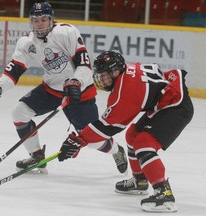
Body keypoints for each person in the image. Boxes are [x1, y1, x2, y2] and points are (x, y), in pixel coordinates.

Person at [0, 2, 128, 175]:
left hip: (80, 92)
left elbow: (85, 65)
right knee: (19, 112)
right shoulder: (26, 43)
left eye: (44, 19)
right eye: (36, 20)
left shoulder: (66, 32)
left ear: (51, 19)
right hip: (51, 90)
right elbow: (13, 72)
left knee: (92, 140)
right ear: (30, 22)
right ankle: (37, 156)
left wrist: (75, 82)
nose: (39, 23)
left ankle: (117, 150)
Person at [57, 51, 194, 212]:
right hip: (164, 101)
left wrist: (78, 140)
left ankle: (164, 193)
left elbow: (107, 127)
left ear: (115, 72)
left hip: (175, 106)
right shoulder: (126, 73)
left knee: (144, 144)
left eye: (105, 75)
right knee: (133, 135)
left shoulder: (125, 91)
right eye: (99, 75)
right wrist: (80, 140)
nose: (101, 79)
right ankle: (140, 180)